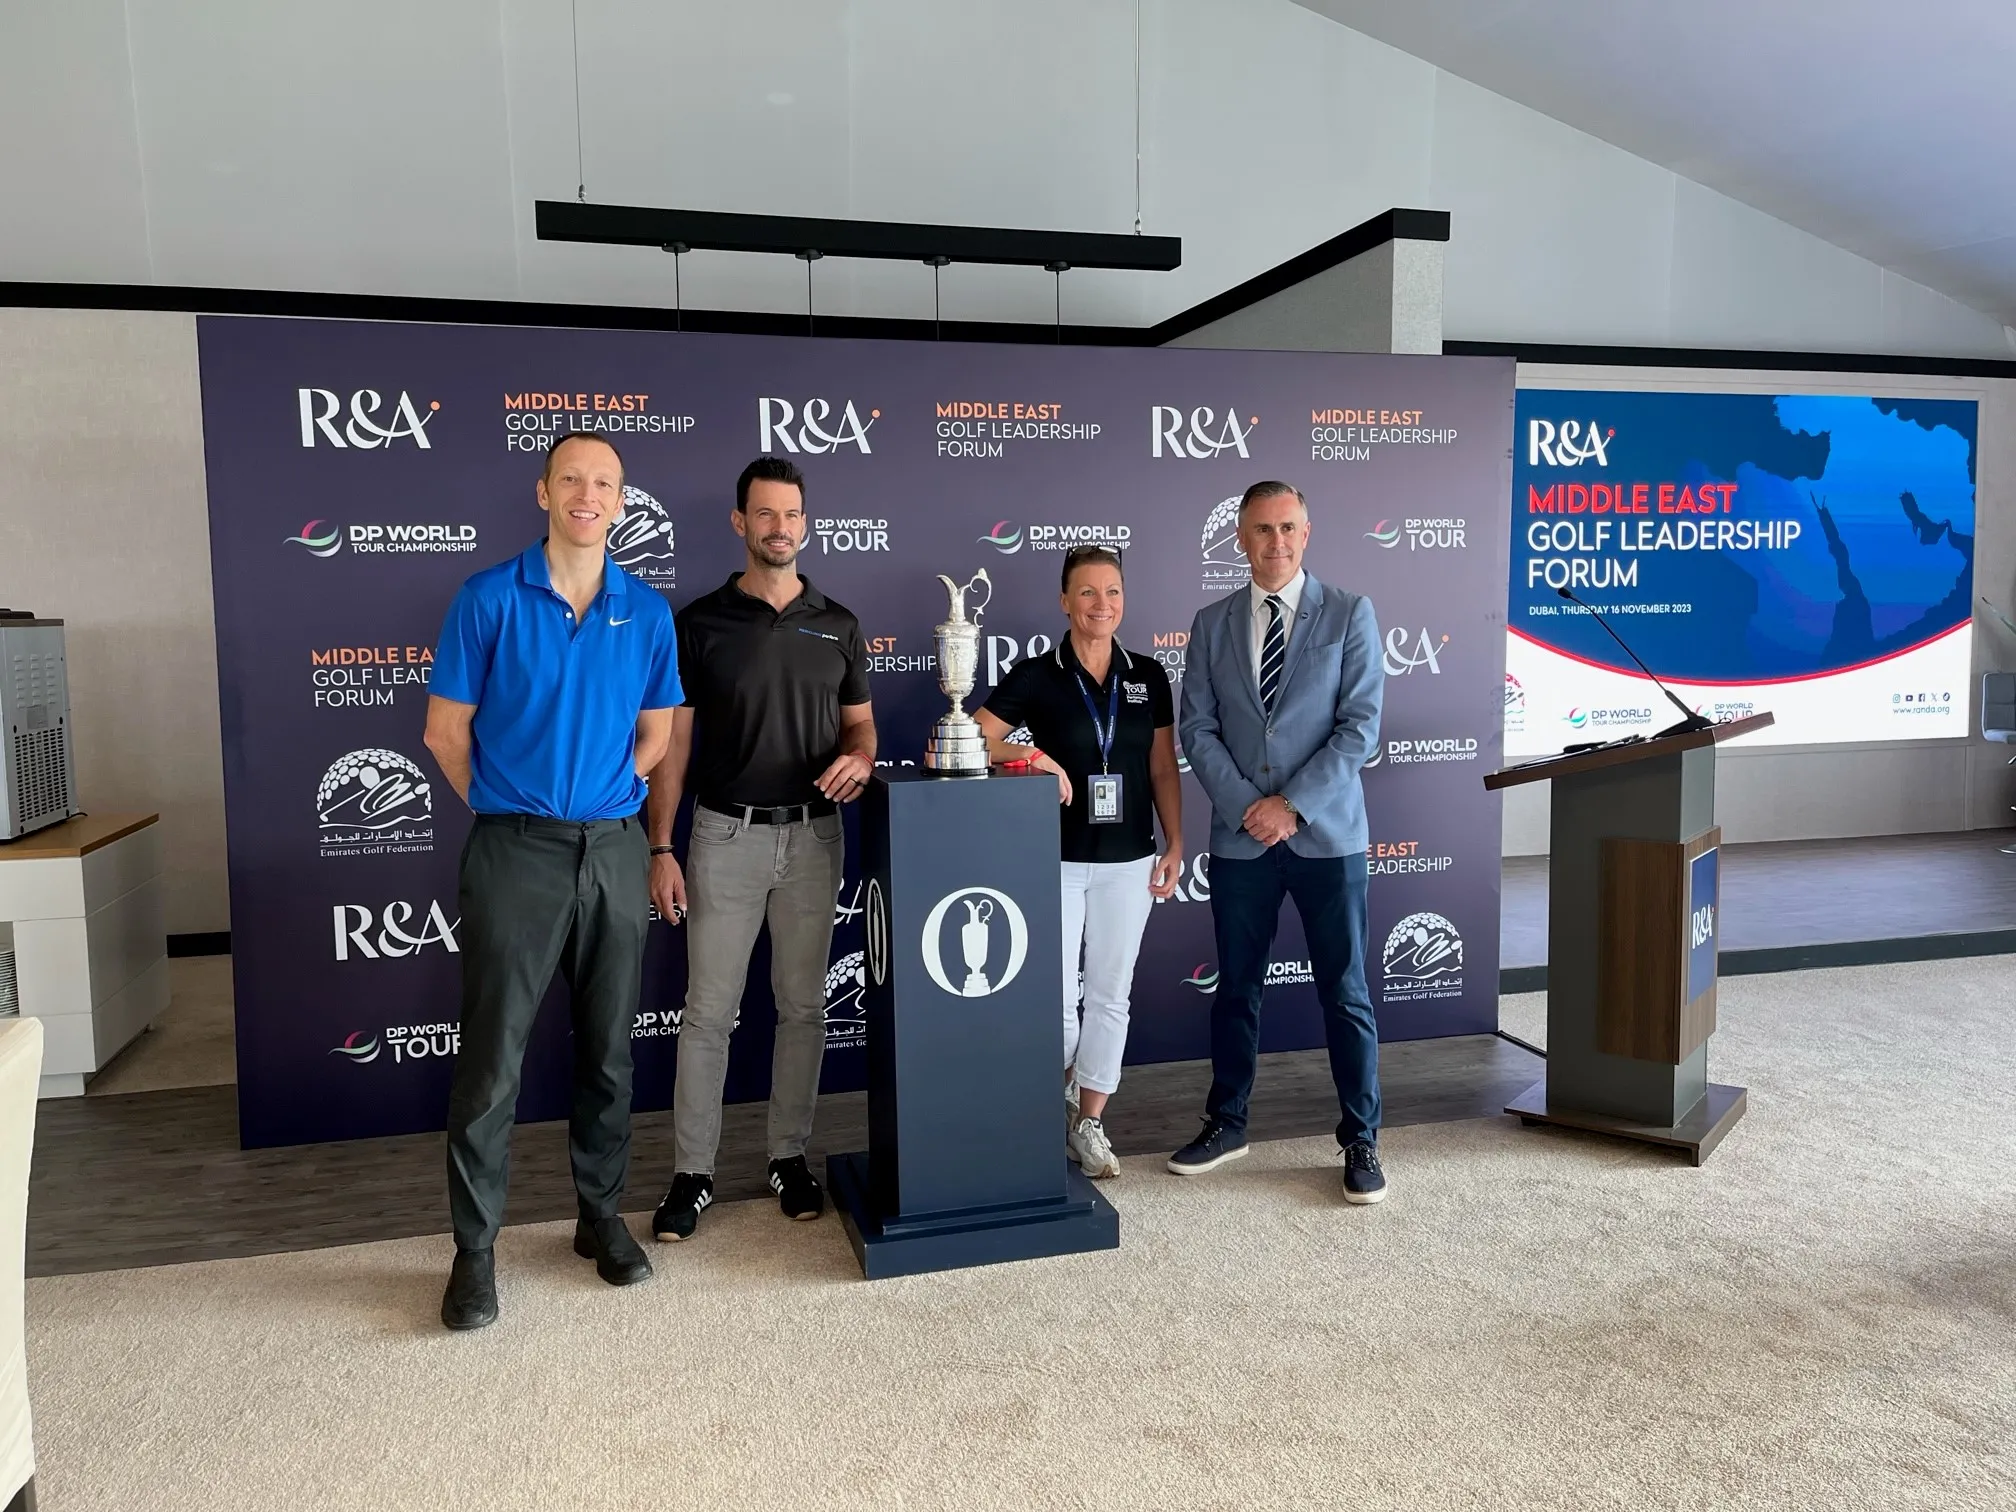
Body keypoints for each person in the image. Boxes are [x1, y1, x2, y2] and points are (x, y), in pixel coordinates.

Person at [423, 433, 682, 1331]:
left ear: (619, 502)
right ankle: (474, 1253)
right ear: (543, 491)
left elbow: (657, 734)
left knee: (608, 1050)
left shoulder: (646, 612)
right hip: (514, 849)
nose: (587, 494)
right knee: (493, 1060)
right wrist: (504, 805)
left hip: (612, 849)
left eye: (603, 483)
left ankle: (600, 1217)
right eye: (571, 478)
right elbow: (445, 732)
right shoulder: (487, 597)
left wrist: (614, 803)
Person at [645, 455, 875, 1241]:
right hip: (723, 836)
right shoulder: (699, 623)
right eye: (765, 515)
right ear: (740, 523)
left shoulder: (838, 621)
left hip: (814, 838)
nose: (781, 528)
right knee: (708, 1013)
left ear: (807, 523)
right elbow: (672, 747)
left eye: (793, 515)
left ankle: (788, 1156)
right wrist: (661, 845)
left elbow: (861, 724)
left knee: (804, 1008)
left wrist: (864, 756)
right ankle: (693, 1173)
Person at [1171, 480, 1388, 1203]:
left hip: (1328, 838)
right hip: (1242, 841)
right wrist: (1248, 808)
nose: (1276, 542)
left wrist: (1291, 806)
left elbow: (1359, 727)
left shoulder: (1351, 613)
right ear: (1240, 537)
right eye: (1261, 530)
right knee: (1236, 990)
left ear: (1307, 531)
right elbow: (1197, 729)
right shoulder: (1210, 622)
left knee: (1346, 993)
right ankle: (1226, 1122)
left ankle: (1361, 1138)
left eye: (1288, 527)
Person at [976, 545, 1182, 1178]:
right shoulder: (1037, 674)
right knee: (1059, 1002)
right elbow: (971, 731)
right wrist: (1032, 757)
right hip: (1056, 858)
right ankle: (1052, 1099)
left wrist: (1175, 842)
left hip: (1130, 860)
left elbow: (1161, 766)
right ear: (1064, 601)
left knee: (1112, 997)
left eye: (1112, 591)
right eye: (1087, 592)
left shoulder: (1148, 675)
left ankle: (1089, 1120)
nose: (1102, 604)